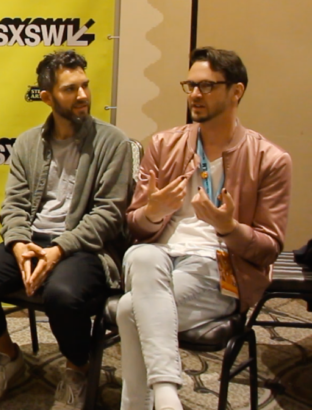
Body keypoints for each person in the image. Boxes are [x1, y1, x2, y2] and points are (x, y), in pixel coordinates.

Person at [0, 50, 133, 410]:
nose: (83, 95)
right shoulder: (27, 143)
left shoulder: (113, 142)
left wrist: (60, 249)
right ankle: (7, 357)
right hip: (34, 238)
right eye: (71, 89)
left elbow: (109, 213)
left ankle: (78, 370)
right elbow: (15, 204)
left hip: (87, 247)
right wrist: (19, 243)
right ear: (47, 97)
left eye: (85, 86)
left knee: (62, 295)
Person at [118, 47, 291, 410]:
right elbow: (134, 226)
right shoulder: (164, 145)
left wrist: (228, 227)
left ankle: (145, 401)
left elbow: (268, 249)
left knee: (129, 309)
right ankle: (167, 397)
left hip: (222, 267)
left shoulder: (270, 160)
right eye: (190, 85)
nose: (195, 95)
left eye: (207, 86)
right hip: (160, 259)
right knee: (142, 253)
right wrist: (154, 211)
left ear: (236, 91)